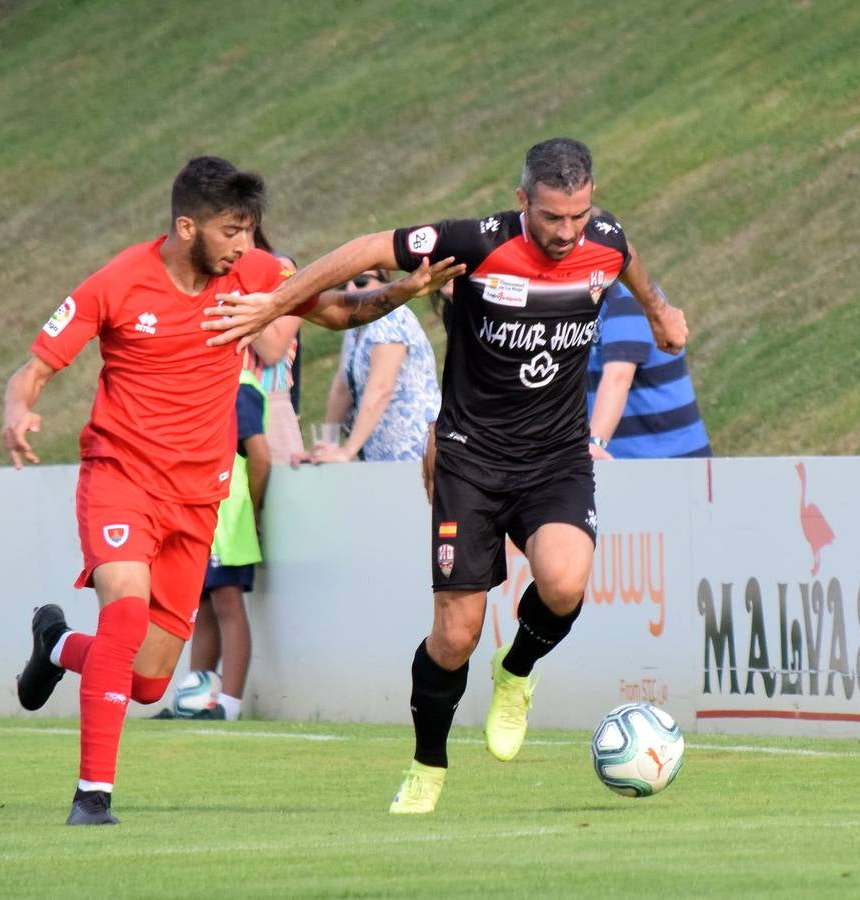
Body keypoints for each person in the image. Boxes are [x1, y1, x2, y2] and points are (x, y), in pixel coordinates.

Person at [201, 137, 688, 814]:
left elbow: (626, 260)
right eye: (551, 217)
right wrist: (275, 302)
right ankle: (427, 766)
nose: (566, 232)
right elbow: (371, 248)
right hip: (471, 460)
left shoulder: (602, 239)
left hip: (555, 456)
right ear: (522, 202)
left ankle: (515, 671)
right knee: (455, 635)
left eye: (577, 216)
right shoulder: (478, 243)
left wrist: (660, 310)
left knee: (565, 580)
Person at [3, 155, 459, 826]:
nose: (245, 245)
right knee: (124, 616)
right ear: (187, 226)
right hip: (120, 479)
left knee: (148, 681)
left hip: (198, 499)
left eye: (249, 230)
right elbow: (33, 368)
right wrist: (19, 410)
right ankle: (92, 798)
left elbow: (333, 309)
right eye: (231, 230)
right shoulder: (118, 282)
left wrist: (401, 291)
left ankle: (58, 646)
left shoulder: (255, 274)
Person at [160, 369, 270, 721]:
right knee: (201, 603)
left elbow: (260, 456)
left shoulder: (241, 385)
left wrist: (252, 509)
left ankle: (229, 705)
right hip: (195, 511)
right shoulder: (194, 378)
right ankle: (196, 699)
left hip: (228, 514)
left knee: (227, 600)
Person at [311, 268, 441, 463]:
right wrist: (328, 444)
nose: (350, 288)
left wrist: (347, 452)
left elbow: (381, 388)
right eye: (342, 285)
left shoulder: (392, 317)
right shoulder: (356, 325)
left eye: (361, 281)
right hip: (378, 449)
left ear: (384, 283)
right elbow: (342, 388)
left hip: (413, 448)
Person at [586, 281, 711, 459]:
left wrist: (594, 444)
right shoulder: (582, 303)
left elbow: (618, 378)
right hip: (626, 465)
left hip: (668, 467)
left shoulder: (624, 299)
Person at [245, 226, 305, 465]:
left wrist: (238, 284)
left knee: (278, 500)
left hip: (269, 408)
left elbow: (272, 349)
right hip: (214, 410)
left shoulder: (281, 268)